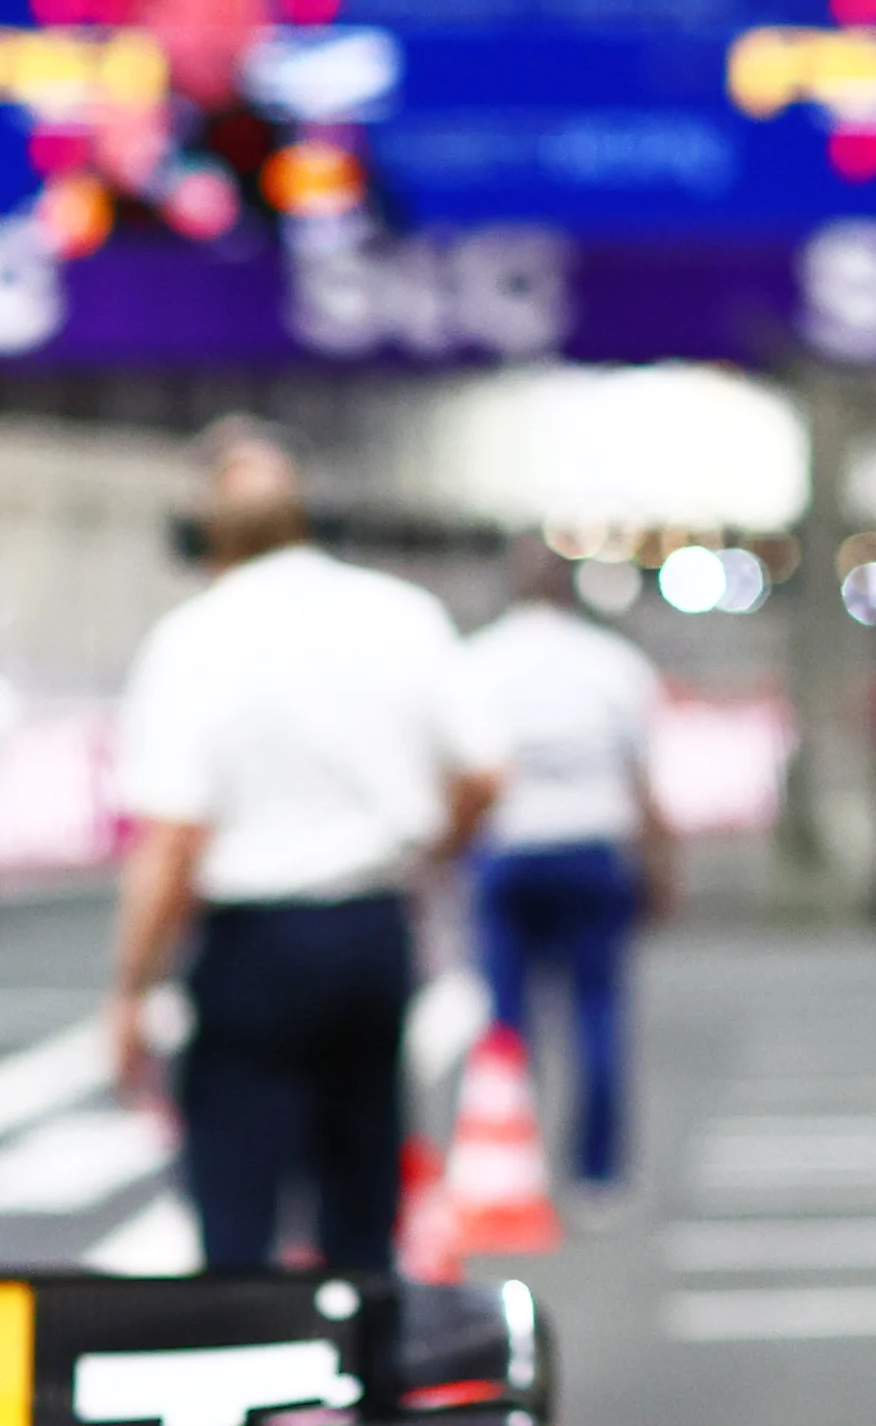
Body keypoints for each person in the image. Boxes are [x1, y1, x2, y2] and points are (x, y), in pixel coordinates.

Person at [109, 419, 505, 1274]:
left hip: (255, 942)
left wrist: (132, 987)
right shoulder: (402, 615)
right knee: (363, 1177)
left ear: (204, 532)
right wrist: (432, 854)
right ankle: (359, 1375)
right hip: (371, 925)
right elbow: (482, 774)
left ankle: (249, 1368)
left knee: (237, 1188)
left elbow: (174, 836)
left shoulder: (193, 639)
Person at [464, 537, 673, 1197]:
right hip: (592, 849)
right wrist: (662, 868)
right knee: (597, 1012)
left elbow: (463, 777)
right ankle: (598, 1169)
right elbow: (645, 785)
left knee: (505, 1020)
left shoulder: (477, 663)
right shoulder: (613, 664)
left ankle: (508, 1160)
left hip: (509, 850)